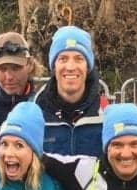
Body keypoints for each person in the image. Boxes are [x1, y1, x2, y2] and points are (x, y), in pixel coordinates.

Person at [34, 25, 106, 156]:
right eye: (63, 59)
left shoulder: (105, 112)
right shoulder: (34, 110)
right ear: (54, 66)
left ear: (88, 67)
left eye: (79, 59)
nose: (71, 67)